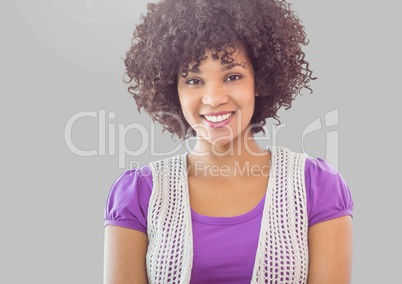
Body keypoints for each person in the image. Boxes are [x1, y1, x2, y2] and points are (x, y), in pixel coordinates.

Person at [103, 0, 354, 283]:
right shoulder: (139, 194)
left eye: (232, 76)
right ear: (173, 88)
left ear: (259, 81)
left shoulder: (317, 186)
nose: (214, 99)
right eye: (194, 81)